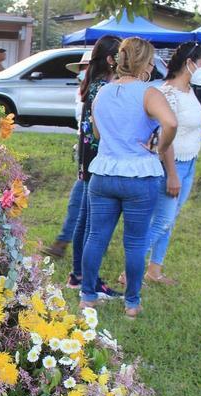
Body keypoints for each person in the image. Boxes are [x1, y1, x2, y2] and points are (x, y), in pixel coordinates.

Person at [80, 37, 178, 319]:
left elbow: (97, 134)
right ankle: (132, 303)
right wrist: (160, 147)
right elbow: (171, 122)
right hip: (138, 175)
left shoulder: (102, 93)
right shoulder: (149, 92)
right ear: (146, 62)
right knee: (135, 242)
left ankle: (87, 297)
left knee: (96, 237)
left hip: (104, 174)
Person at [64, 36, 125, 304]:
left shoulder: (94, 85)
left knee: (84, 221)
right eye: (123, 55)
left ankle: (78, 274)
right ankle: (87, 279)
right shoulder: (105, 89)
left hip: (89, 161)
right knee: (92, 225)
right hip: (100, 162)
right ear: (112, 60)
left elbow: (83, 133)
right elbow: (98, 133)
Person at [144, 42, 201, 285]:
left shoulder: (189, 90)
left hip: (190, 161)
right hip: (173, 165)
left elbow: (189, 123)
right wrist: (172, 174)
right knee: (161, 220)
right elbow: (164, 136)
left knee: (169, 220)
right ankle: (131, 270)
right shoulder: (167, 92)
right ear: (189, 63)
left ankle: (155, 269)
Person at [41, 50, 93, 260]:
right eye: (81, 68)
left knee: (84, 196)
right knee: (82, 197)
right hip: (85, 147)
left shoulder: (100, 91)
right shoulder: (82, 91)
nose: (82, 72)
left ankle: (64, 241)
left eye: (86, 67)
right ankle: (66, 241)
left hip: (94, 149)